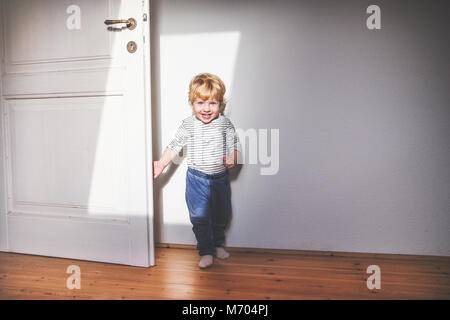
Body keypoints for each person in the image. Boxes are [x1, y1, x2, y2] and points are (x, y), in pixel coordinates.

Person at [153, 73, 241, 268]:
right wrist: (161, 163)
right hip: (196, 180)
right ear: (192, 103)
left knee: (221, 215)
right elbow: (174, 146)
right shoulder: (189, 124)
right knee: (199, 217)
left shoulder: (225, 124)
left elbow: (235, 146)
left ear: (220, 104)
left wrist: (232, 160)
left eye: (213, 103)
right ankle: (206, 250)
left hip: (219, 180)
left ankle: (218, 245)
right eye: (201, 103)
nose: (207, 109)